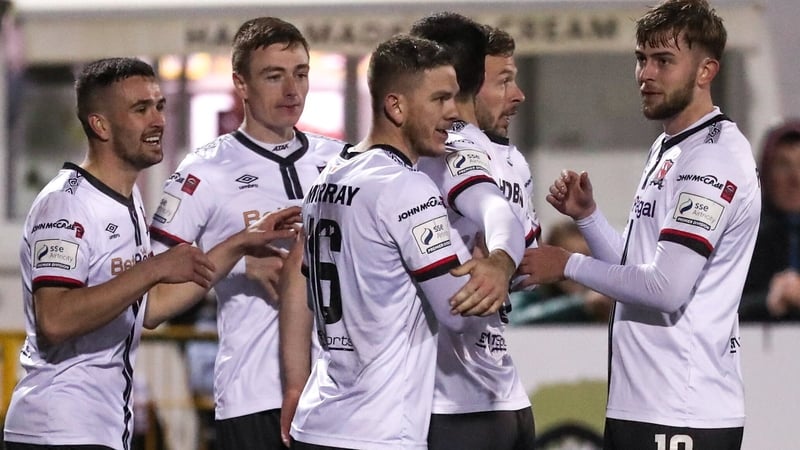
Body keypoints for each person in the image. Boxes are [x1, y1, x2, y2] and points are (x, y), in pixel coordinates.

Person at [3, 57, 300, 450]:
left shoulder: (131, 199)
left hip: (101, 431)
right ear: (101, 125)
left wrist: (239, 243)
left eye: (160, 106)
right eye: (140, 109)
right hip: (57, 431)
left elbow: (152, 309)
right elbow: (54, 318)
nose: (158, 120)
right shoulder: (66, 204)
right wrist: (155, 267)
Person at [522, 1, 760, 449]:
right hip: (644, 402)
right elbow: (638, 271)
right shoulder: (670, 147)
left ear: (706, 70)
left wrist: (567, 264)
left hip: (683, 409)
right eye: (640, 59)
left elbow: (667, 290)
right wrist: (589, 220)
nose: (645, 74)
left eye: (664, 61)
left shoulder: (714, 158)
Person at [283, 34, 515, 450]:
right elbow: (459, 314)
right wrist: (491, 266)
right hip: (377, 433)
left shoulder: (327, 179)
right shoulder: (408, 188)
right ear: (396, 106)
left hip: (316, 425)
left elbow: (302, 286)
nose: (452, 114)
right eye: (440, 100)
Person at [147, 17, 348, 450]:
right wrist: (237, 263)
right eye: (274, 77)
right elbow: (151, 301)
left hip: (343, 391)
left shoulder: (343, 161)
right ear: (241, 83)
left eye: (300, 74)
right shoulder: (202, 171)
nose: (292, 91)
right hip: (254, 395)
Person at [411, 15, 536, 450]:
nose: (517, 96)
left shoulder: (447, 148)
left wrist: (499, 262)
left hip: (452, 403)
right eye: (503, 81)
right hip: (503, 395)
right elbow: (528, 267)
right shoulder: (507, 158)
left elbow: (494, 212)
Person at [740, 120, 800, 320]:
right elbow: (711, 308)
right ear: (765, 173)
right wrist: (769, 300)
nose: (796, 178)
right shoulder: (742, 237)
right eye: (784, 165)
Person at [509, 221, 612, 324]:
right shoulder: (529, 288)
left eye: (586, 257)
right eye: (567, 258)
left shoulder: (606, 298)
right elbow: (515, 320)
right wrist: (581, 304)